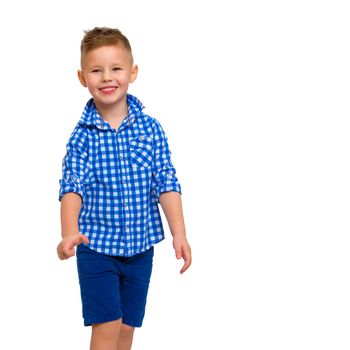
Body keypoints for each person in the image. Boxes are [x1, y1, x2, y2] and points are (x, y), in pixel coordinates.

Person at [57, 27, 192, 350]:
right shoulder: (82, 137)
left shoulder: (150, 129)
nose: (107, 77)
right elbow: (71, 187)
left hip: (140, 248)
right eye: (96, 70)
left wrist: (180, 234)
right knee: (107, 326)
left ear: (132, 72)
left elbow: (166, 181)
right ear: (82, 77)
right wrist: (68, 232)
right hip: (97, 249)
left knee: (127, 329)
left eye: (116, 68)